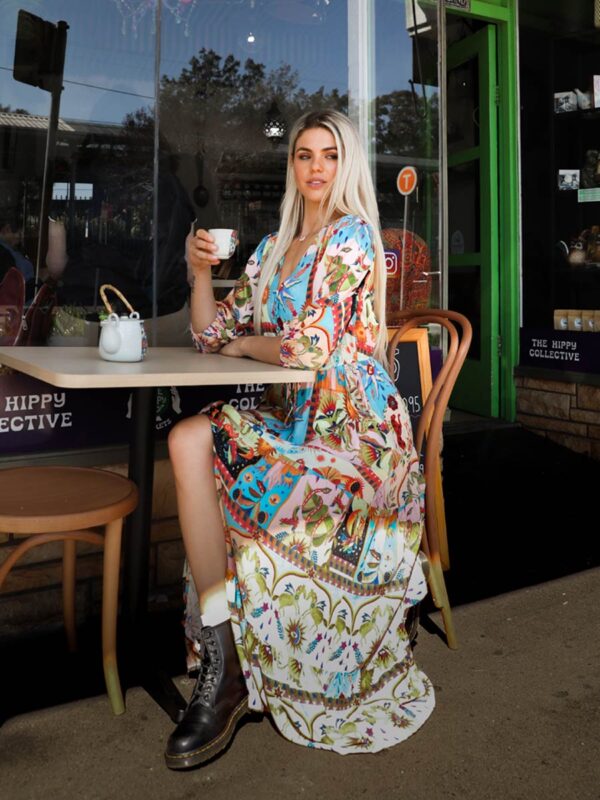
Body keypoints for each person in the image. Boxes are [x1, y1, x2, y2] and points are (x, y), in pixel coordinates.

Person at [165, 109, 435, 769]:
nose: (316, 167)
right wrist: (199, 272)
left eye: (330, 155)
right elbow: (207, 336)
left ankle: (237, 663)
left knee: (197, 445)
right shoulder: (271, 249)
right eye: (305, 155)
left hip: (359, 432)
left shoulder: (351, 238)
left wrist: (243, 343)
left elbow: (308, 349)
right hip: (301, 420)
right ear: (292, 166)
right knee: (186, 440)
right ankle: (223, 653)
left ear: (346, 167)